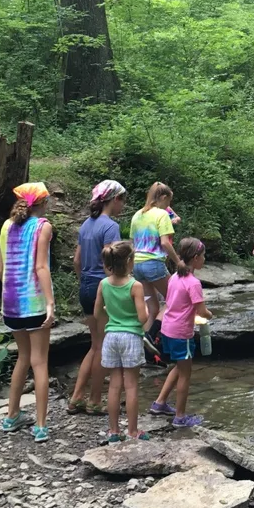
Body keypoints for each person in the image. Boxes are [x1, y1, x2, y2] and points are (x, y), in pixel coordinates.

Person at [0, 182, 55, 443]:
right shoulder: (43, 227)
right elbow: (41, 267)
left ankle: (12, 415)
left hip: (10, 304)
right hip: (33, 304)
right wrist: (50, 304)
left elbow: (1, 270)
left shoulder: (6, 226)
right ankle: (41, 425)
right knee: (39, 362)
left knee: (23, 357)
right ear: (42, 203)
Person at [69, 180, 125, 416]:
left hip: (86, 288)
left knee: (95, 345)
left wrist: (85, 283)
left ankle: (76, 398)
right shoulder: (110, 227)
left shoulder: (85, 225)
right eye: (122, 200)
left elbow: (76, 261)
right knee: (102, 347)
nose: (123, 205)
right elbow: (112, 265)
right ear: (114, 200)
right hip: (103, 289)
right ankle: (93, 400)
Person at [148, 238, 211, 427]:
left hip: (167, 329)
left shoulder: (175, 277)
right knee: (185, 373)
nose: (205, 259)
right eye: (203, 256)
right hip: (181, 333)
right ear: (196, 258)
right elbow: (201, 311)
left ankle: (159, 403)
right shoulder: (193, 283)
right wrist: (209, 314)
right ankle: (181, 417)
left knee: (178, 367)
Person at [94, 240, 150, 442]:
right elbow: (142, 318)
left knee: (114, 385)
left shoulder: (103, 284)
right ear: (129, 261)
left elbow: (97, 312)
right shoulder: (135, 286)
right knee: (132, 385)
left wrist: (112, 314)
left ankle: (114, 431)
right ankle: (133, 431)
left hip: (111, 337)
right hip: (131, 337)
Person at [130, 182, 181, 322]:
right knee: (175, 298)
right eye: (169, 201)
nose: (168, 205)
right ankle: (156, 334)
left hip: (137, 266)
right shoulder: (162, 214)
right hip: (153, 264)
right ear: (163, 197)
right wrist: (178, 262)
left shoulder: (137, 215)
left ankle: (148, 339)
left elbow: (132, 243)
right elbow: (164, 242)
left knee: (152, 308)